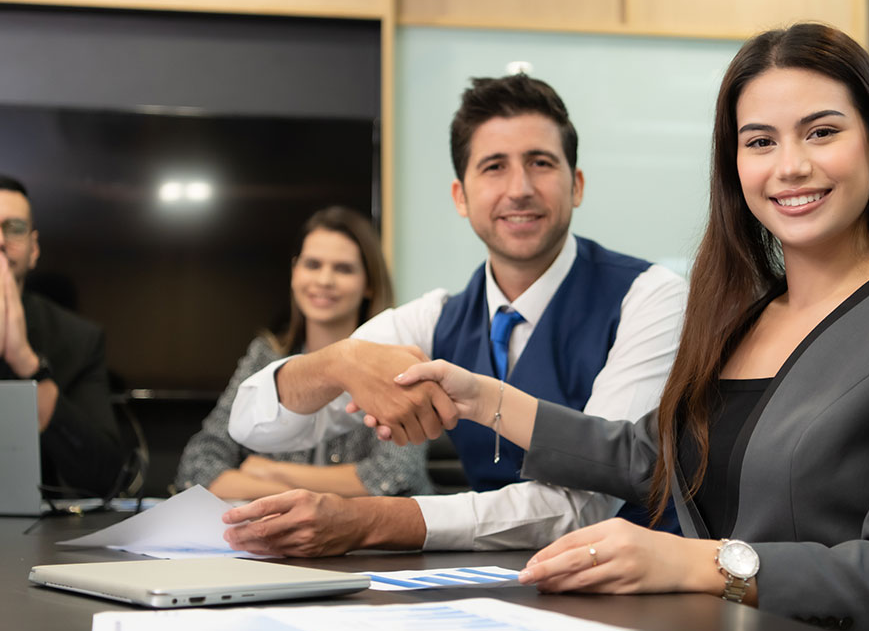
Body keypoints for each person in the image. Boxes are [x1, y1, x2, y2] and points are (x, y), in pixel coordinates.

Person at [389, 23, 869, 631]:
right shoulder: (742, 314)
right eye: (760, 141)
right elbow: (651, 455)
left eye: (821, 132)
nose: (791, 165)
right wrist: (481, 399)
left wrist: (693, 565)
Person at [222, 74, 686, 554]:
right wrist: (339, 361)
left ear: (577, 185)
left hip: (639, 590)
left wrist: (375, 520)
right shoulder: (436, 318)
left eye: (541, 163)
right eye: (493, 167)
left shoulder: (651, 298)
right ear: (460, 197)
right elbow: (252, 422)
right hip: (499, 587)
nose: (520, 188)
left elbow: (588, 505)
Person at [175, 206, 431, 500]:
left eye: (343, 268)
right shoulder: (265, 356)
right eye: (312, 264)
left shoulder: (396, 360)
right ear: (295, 272)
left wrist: (272, 471)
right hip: (276, 537)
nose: (324, 280)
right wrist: (300, 497)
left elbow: (395, 475)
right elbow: (198, 465)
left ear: (369, 285)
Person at [0, 174, 124, 497]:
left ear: (33, 249)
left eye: (13, 229)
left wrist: (29, 365)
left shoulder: (78, 340)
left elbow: (107, 476)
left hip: (37, 535)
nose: (0, 241)